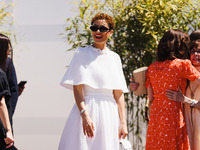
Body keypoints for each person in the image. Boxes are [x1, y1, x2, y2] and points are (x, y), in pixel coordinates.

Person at [58, 13, 128, 150]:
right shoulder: (81, 53)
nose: (97, 31)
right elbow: (77, 89)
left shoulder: (115, 58)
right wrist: (84, 115)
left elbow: (119, 93)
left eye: (102, 29)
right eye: (94, 28)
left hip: (109, 113)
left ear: (110, 32)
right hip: (87, 109)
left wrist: (123, 123)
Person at [145, 29, 200, 150]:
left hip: (156, 117)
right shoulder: (182, 65)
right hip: (173, 114)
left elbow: (150, 99)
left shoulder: (151, 68)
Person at [166, 39, 200, 150]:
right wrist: (136, 84)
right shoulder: (183, 73)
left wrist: (185, 100)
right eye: (193, 51)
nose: (195, 54)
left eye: (199, 51)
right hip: (185, 124)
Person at [0, 33, 14, 149]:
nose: (9, 53)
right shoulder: (0, 74)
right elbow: (0, 103)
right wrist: (8, 130)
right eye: (7, 49)